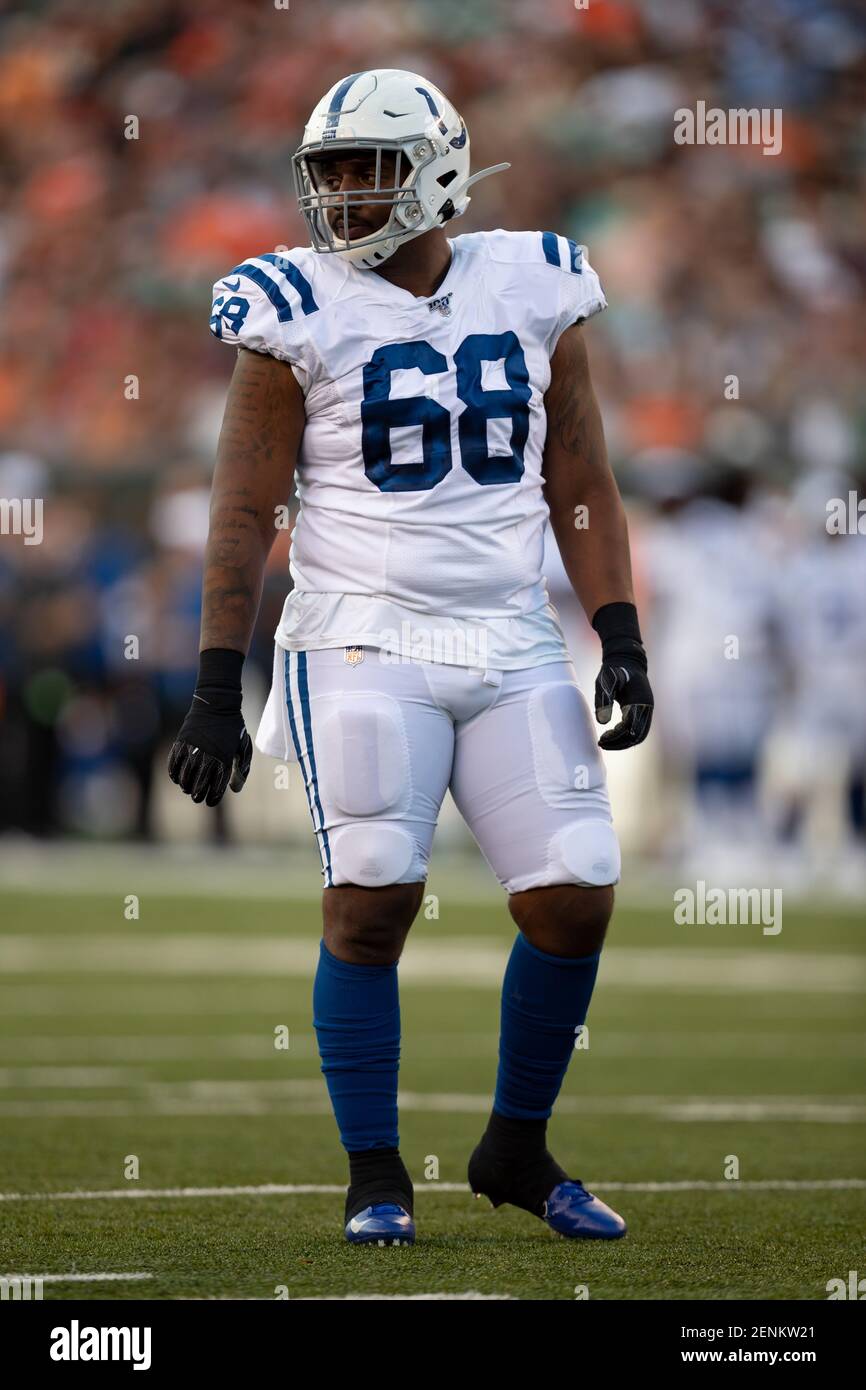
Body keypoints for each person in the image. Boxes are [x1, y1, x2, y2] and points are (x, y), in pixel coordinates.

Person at [168, 69, 653, 1246]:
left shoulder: (533, 281)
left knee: (575, 892)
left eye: (365, 167)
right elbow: (242, 507)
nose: (339, 193)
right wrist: (213, 684)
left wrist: (621, 633)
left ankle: (514, 1146)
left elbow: (578, 481)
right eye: (327, 170)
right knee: (371, 900)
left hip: (508, 631)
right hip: (357, 635)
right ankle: (375, 1169)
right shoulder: (294, 306)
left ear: (438, 167)